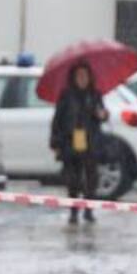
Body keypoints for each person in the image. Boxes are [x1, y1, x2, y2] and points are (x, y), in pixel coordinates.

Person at [49, 62, 106, 224]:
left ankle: (89, 210)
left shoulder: (95, 94)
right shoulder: (66, 95)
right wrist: (56, 143)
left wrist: (102, 114)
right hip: (70, 141)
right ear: (73, 78)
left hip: (90, 141)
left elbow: (102, 113)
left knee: (91, 178)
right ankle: (73, 211)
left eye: (85, 75)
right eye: (79, 76)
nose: (82, 79)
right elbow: (57, 120)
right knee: (73, 180)